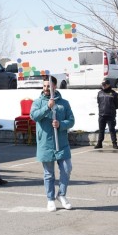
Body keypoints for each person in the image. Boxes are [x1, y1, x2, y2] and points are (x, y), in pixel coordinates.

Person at [30, 76, 75, 212]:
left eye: (48, 86)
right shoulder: (37, 102)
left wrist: (61, 124)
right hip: (46, 142)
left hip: (61, 143)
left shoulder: (64, 103)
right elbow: (34, 116)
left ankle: (61, 194)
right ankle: (50, 199)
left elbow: (71, 120)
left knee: (67, 169)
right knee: (49, 174)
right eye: (44, 86)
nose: (46, 88)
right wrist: (47, 108)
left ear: (54, 86)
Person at [94, 79, 118, 150]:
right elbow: (98, 102)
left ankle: (114, 143)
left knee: (112, 129)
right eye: (103, 85)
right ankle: (99, 143)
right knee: (101, 130)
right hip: (101, 114)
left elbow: (117, 105)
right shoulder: (99, 93)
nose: (103, 86)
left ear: (108, 85)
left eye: (105, 85)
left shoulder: (114, 93)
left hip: (110, 115)